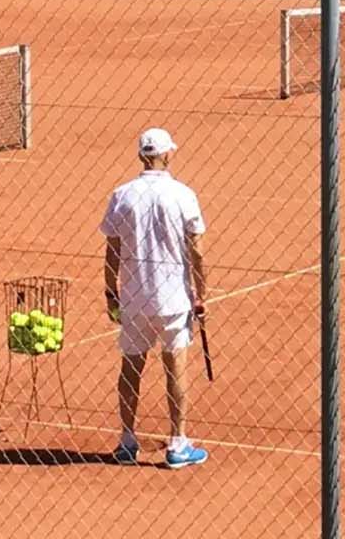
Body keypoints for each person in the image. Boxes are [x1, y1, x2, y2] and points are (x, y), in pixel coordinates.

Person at [100, 126, 209, 468]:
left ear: (141, 156)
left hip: (134, 297)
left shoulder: (122, 195)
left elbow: (111, 252)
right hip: (173, 299)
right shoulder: (183, 195)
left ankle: (127, 441)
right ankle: (178, 444)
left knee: (131, 367)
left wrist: (110, 294)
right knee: (175, 367)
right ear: (167, 155)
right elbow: (197, 252)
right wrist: (202, 294)